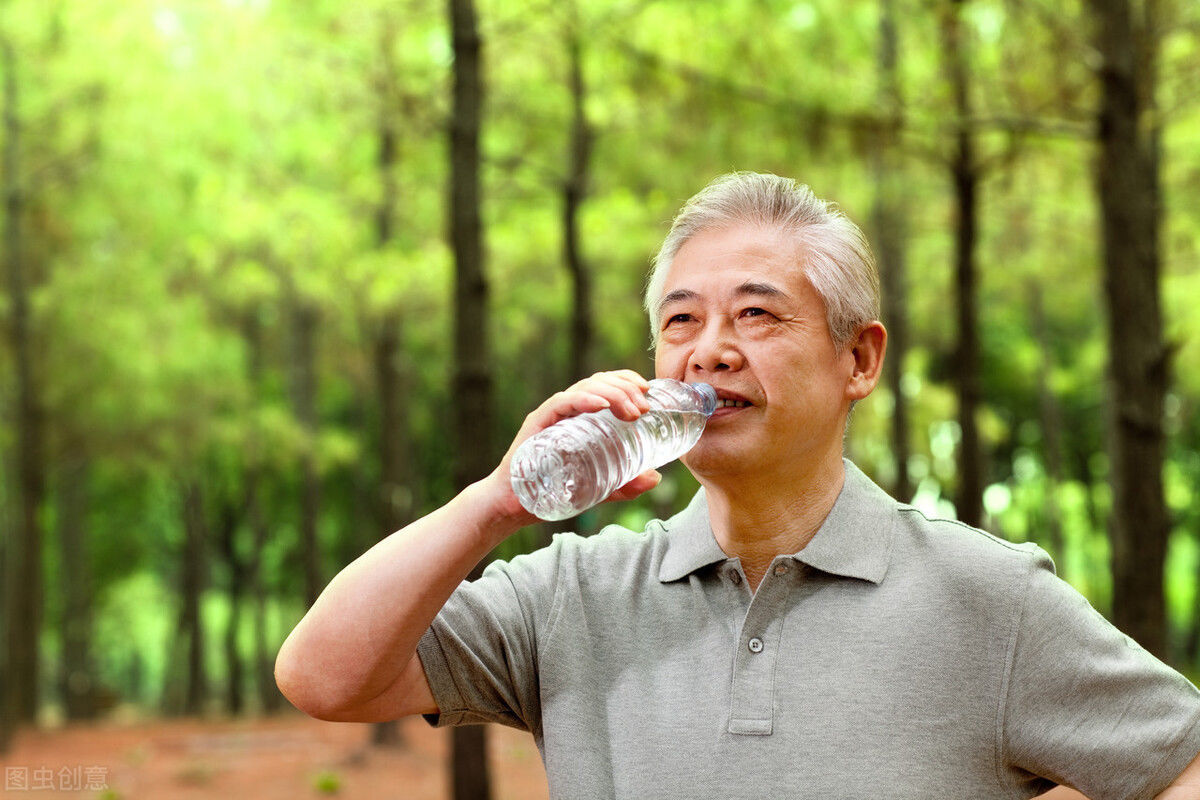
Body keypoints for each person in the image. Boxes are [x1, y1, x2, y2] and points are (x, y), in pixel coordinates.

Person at [276, 173, 1200, 799]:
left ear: (859, 359)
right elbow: (323, 677)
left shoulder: (987, 599)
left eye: (757, 313)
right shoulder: (573, 596)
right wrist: (497, 502)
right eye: (681, 321)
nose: (709, 349)